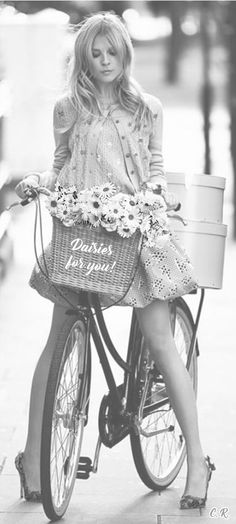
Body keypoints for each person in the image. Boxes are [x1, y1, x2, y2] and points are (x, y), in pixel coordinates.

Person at [15, 11, 215, 509]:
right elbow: (59, 162)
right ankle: (33, 459)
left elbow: (155, 166)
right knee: (56, 338)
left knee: (160, 339)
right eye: (94, 55)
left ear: (124, 54)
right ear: (83, 59)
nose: (104, 62)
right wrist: (41, 181)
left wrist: (152, 196)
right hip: (81, 234)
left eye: (112, 53)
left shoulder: (146, 107)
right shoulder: (68, 108)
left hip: (135, 231)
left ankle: (197, 463)